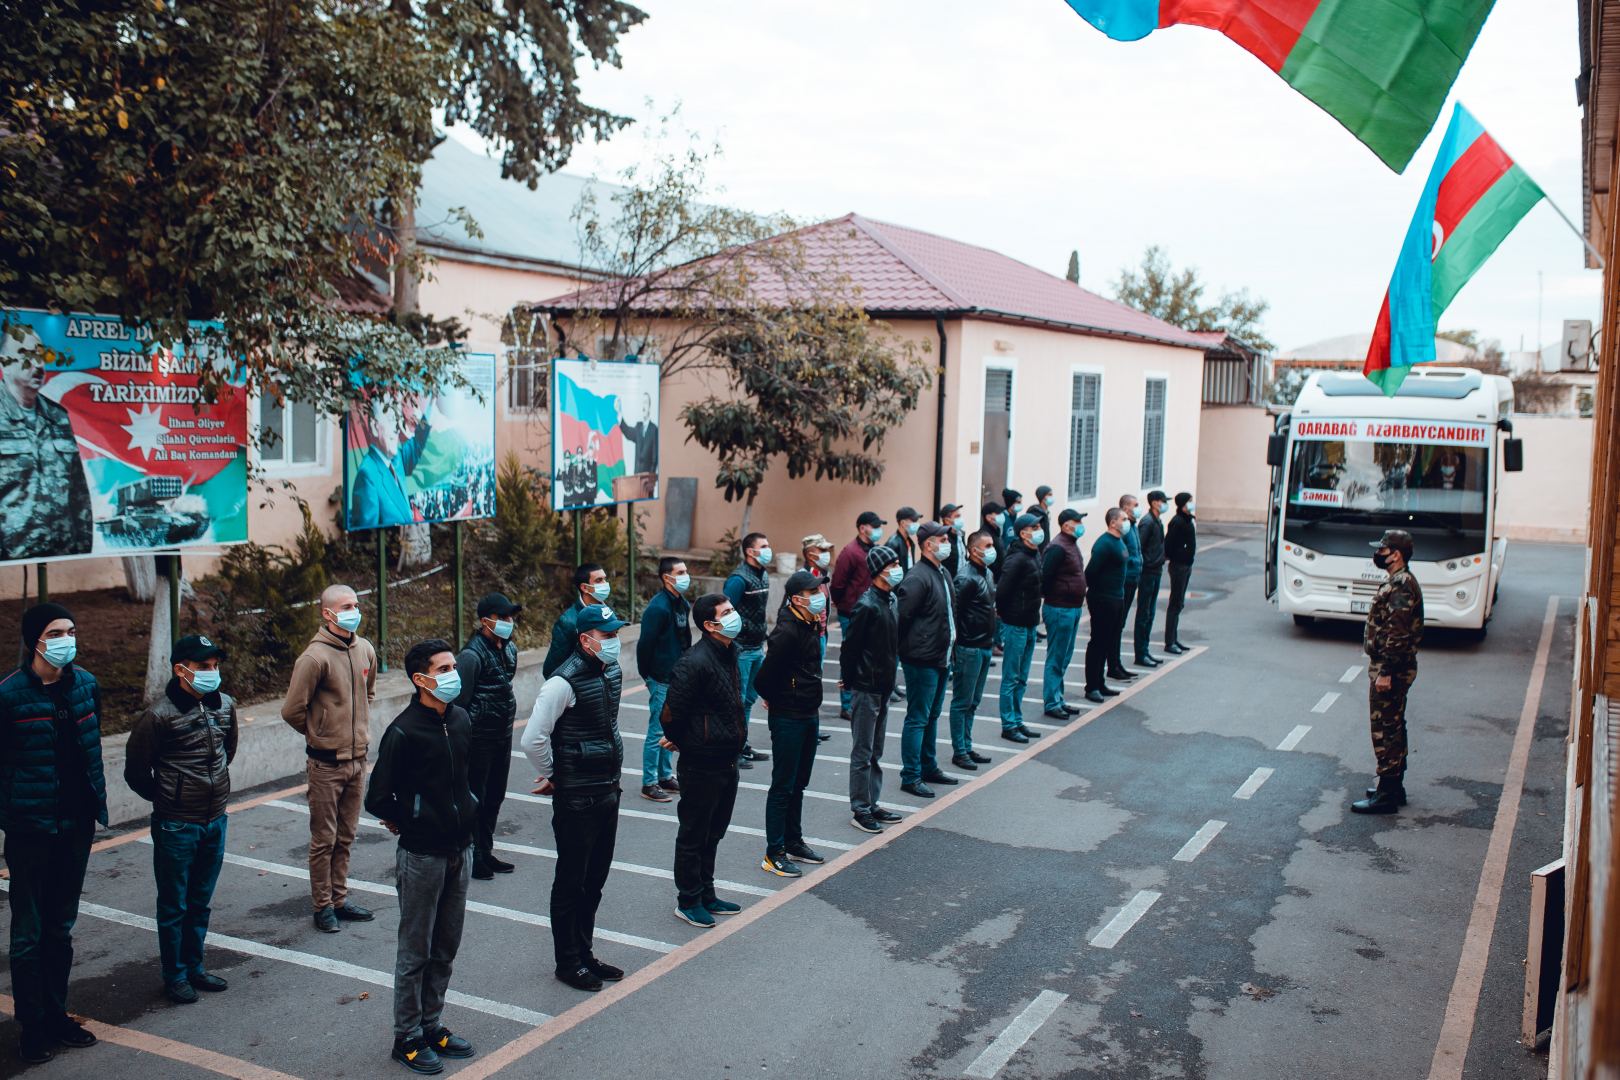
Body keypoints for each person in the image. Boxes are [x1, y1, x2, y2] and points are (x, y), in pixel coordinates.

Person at [365, 639, 478, 1074]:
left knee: (445, 946)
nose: (454, 674)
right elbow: (378, 796)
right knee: (416, 950)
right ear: (421, 679)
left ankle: (432, 1025)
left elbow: (469, 778)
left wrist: (470, 812)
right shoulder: (404, 731)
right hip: (422, 856)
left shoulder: (462, 720)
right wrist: (408, 821)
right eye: (445, 668)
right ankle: (406, 1036)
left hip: (459, 850)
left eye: (453, 666)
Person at [0, 603, 106, 1065]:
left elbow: (90, 749)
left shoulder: (85, 685)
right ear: (34, 640)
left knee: (60, 930)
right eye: (56, 631)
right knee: (28, 935)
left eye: (71, 629)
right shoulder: (8, 696)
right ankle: (32, 1026)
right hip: (30, 832)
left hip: (75, 828)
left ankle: (56, 1013)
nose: (67, 638)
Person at [125, 634, 237, 1006]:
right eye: (204, 667)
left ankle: (195, 967)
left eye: (215, 666)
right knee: (174, 904)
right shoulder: (159, 715)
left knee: (200, 900)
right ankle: (174, 975)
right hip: (177, 824)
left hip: (215, 818)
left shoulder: (226, 706)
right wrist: (168, 798)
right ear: (180, 669)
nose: (212, 673)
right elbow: (137, 771)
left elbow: (227, 750)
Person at [521, 604, 628, 992]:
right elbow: (532, 738)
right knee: (571, 880)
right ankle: (567, 962)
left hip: (607, 789)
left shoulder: (609, 671)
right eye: (608, 635)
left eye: (616, 634)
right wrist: (555, 775)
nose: (614, 641)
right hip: (578, 796)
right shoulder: (561, 683)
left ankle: (585, 953)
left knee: (594, 880)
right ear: (585, 640)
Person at [281, 584, 378, 934]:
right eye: (346, 605)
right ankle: (322, 906)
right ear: (327, 613)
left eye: (356, 604)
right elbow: (292, 709)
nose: (354, 610)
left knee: (347, 836)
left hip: (358, 760)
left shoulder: (365, 649)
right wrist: (319, 734)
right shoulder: (314, 658)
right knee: (324, 839)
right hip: (325, 764)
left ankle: (339, 898)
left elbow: (368, 694)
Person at [661, 594, 748, 927]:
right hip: (701, 763)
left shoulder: (730, 653)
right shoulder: (694, 661)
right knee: (694, 833)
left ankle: (707, 892)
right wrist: (688, 741)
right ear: (710, 625)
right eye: (726, 613)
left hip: (727, 759)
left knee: (714, 832)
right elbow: (671, 714)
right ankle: (688, 900)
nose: (734, 615)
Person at [754, 570, 828, 877]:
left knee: (799, 782)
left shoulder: (809, 623)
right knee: (783, 785)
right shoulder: (787, 631)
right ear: (797, 599)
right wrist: (776, 697)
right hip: (789, 716)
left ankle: (794, 840)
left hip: (809, 711)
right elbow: (765, 677)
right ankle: (774, 852)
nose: (821, 596)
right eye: (814, 592)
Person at [0, 333, 94, 560]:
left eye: (41, 357)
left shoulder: (57, 416)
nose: (39, 365)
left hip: (61, 548)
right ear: (5, 362)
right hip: (10, 549)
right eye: (28, 357)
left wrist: (83, 546)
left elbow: (78, 490)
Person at [1353, 530, 1425, 815]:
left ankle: (1387, 794)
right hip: (1391, 667)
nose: (1378, 554)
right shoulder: (1399, 582)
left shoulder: (1402, 585)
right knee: (1393, 725)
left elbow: (1398, 634)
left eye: (1382, 549)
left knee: (1386, 729)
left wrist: (1386, 672)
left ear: (1395, 554)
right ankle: (1393, 787)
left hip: (1392, 670)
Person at [454, 593, 522, 879]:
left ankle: (486, 850)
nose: (509, 622)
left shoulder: (510, 650)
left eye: (510, 617)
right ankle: (473, 856)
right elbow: (460, 703)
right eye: (502, 618)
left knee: (495, 796)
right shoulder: (470, 656)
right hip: (479, 739)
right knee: (476, 798)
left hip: (502, 736)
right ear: (485, 621)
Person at [896, 522, 961, 799]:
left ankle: (928, 766)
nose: (947, 542)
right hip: (922, 660)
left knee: (932, 716)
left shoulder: (942, 572)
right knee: (918, 717)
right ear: (928, 544)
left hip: (940, 657)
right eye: (942, 538)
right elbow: (901, 618)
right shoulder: (917, 577)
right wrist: (912, 650)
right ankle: (910, 775)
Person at [842, 545, 904, 834]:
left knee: (876, 749)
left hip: (884, 685)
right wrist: (847, 677)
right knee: (863, 750)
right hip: (867, 687)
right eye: (892, 564)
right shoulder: (866, 605)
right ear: (879, 570)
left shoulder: (891, 599)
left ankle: (872, 800)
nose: (897, 568)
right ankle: (860, 808)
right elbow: (850, 646)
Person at [636, 558, 692, 802]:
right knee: (656, 730)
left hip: (677, 677)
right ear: (666, 577)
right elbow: (644, 645)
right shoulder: (657, 608)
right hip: (660, 677)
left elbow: (685, 638)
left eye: (685, 571)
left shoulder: (682, 604)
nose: (685, 576)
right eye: (680, 572)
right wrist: (648, 675)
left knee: (671, 729)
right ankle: (649, 782)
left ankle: (665, 776)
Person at [723, 534, 774, 769]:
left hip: (757, 647)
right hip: (741, 649)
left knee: (750, 699)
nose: (768, 550)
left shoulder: (762, 574)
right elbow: (724, 612)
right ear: (750, 552)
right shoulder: (738, 579)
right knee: (738, 701)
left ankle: (742, 744)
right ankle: (732, 751)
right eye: (763, 547)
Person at [949, 531, 998, 771]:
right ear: (972, 550)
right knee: (962, 701)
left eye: (991, 544)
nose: (991, 549)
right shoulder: (965, 578)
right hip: (969, 648)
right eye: (986, 545)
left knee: (974, 701)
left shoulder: (987, 573)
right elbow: (955, 614)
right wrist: (957, 646)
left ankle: (967, 746)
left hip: (985, 645)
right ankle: (959, 751)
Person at [831, 511, 887, 718]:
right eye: (875, 526)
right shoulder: (850, 552)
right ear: (863, 528)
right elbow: (837, 585)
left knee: (866, 655)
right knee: (850, 656)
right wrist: (844, 605)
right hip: (851, 613)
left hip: (870, 610)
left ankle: (858, 699)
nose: (879, 530)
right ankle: (847, 704)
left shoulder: (872, 550)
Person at [995, 514, 1045, 744]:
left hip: (1030, 622)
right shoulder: (1016, 559)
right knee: (1011, 677)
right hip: (1016, 624)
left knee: (1022, 677)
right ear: (1023, 532)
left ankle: (1017, 719)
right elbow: (1003, 592)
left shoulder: (1034, 554)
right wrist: (1008, 616)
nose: (1039, 530)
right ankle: (1008, 724)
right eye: (1034, 527)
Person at [349, 395, 434, 530]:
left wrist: (432, 402)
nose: (396, 429)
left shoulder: (395, 460)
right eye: (391, 420)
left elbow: (418, 441)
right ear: (375, 427)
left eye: (397, 421)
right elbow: (368, 534)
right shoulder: (367, 475)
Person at [1040, 509, 1088, 719]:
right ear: (1066, 524)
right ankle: (1051, 702)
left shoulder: (1071, 543)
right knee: (1057, 657)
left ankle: (1058, 698)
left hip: (1072, 608)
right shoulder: (1058, 547)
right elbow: (1045, 577)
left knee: (1065, 656)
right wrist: (1060, 594)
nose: (1080, 525)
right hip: (1060, 608)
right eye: (1076, 521)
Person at [1084, 509, 1130, 703]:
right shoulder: (1104, 544)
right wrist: (1100, 595)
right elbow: (1090, 573)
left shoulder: (1119, 541)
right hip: (1103, 599)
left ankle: (1100, 682)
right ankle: (1091, 686)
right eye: (1124, 519)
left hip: (1117, 598)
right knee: (1098, 642)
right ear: (1113, 523)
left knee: (1108, 642)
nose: (1127, 521)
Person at [543, 564, 610, 678]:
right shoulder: (568, 622)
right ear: (584, 587)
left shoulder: (608, 613)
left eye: (604, 579)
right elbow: (552, 668)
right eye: (599, 580)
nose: (605, 584)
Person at [1134, 490, 1169, 669]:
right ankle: (1140, 653)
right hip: (1148, 572)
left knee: (1150, 612)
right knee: (1144, 613)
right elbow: (1140, 546)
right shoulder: (1147, 522)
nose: (1165, 504)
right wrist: (1148, 563)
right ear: (1155, 503)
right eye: (1163, 501)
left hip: (1156, 570)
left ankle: (1145, 650)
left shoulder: (1157, 521)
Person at [1111, 494, 1143, 681]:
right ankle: (1113, 665)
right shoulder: (1124, 530)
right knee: (1116, 625)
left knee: (1120, 625)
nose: (1138, 508)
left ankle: (1117, 663)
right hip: (1124, 581)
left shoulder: (1133, 527)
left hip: (1133, 579)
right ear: (1125, 507)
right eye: (1135, 505)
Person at [1164, 492, 1198, 655]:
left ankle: (1174, 638)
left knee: (1179, 603)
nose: (1192, 503)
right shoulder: (1177, 522)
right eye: (1190, 501)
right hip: (1179, 566)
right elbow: (1169, 545)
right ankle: (1169, 641)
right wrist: (1180, 556)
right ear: (1183, 503)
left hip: (1186, 565)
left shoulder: (1187, 519)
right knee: (1175, 603)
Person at [616, 390, 659, 477]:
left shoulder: (654, 429)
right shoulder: (638, 427)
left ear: (649, 407)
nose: (643, 406)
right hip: (636, 478)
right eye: (642, 403)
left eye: (646, 403)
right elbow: (628, 432)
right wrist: (619, 413)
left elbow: (655, 458)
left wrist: (650, 477)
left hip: (648, 480)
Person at [887, 506, 921, 572]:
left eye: (916, 521)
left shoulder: (909, 542)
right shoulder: (893, 543)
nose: (916, 524)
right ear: (902, 523)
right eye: (913, 521)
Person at [935, 504, 965, 577]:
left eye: (960, 516)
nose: (960, 519)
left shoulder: (961, 535)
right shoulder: (942, 537)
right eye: (957, 516)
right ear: (947, 521)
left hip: (961, 581)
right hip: (947, 580)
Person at [1029, 486, 1056, 550]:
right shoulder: (1036, 514)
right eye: (1049, 495)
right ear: (1043, 497)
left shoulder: (1046, 513)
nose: (1051, 497)